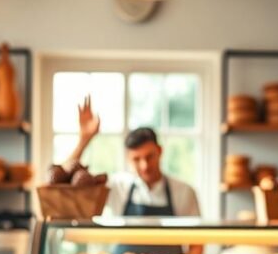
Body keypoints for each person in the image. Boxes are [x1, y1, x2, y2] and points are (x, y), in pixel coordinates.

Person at [65, 96, 201, 225]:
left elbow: (197, 242)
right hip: (121, 252)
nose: (144, 165)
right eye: (137, 159)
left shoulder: (184, 191)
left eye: (149, 157)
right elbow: (64, 180)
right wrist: (84, 140)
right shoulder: (117, 186)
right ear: (128, 158)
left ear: (160, 151)